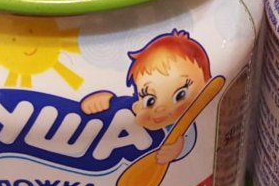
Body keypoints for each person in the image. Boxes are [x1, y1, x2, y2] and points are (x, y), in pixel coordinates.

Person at [81, 30, 211, 164]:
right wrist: (106, 101)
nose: (160, 108)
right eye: (150, 100)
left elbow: (189, 136)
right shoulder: (135, 110)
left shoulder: (184, 122)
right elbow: (125, 107)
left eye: (180, 95)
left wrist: (179, 149)